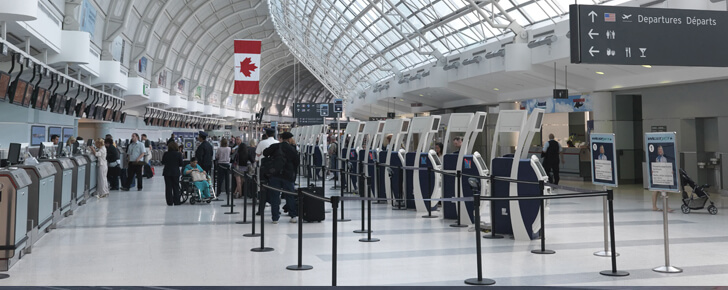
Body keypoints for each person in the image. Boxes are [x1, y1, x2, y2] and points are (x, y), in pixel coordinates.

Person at [263, 132, 299, 224]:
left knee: (275, 196)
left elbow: (265, 153)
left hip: (275, 174)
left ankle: (275, 218)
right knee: (289, 195)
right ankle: (293, 216)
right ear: (289, 139)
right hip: (288, 175)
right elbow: (297, 162)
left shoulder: (275, 146)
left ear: (281, 138)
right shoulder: (292, 149)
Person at [652, 146, 673, 212]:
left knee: (662, 190)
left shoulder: (664, 158)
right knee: (657, 190)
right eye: (659, 149)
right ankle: (658, 206)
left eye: (661, 149)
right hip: (659, 175)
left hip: (663, 175)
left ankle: (664, 206)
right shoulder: (657, 158)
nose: (660, 151)